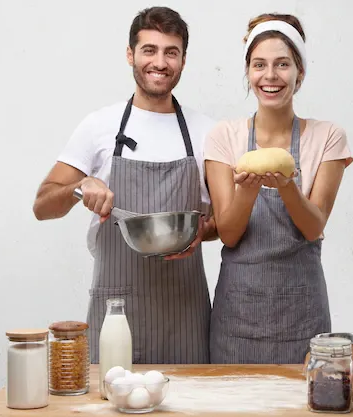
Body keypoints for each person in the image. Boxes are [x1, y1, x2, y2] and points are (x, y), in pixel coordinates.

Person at [33, 6, 217, 364]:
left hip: (185, 310)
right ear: (131, 54)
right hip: (117, 307)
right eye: (149, 50)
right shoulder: (99, 126)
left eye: (171, 52)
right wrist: (79, 187)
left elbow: (224, 223)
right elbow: (42, 206)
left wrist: (202, 231)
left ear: (183, 60)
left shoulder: (207, 132)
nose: (160, 62)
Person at [204, 13, 353, 364]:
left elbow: (314, 227)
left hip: (302, 316)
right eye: (259, 65)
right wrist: (249, 190)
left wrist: (287, 187)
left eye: (282, 64)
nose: (270, 76)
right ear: (248, 72)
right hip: (237, 319)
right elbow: (228, 233)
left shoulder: (328, 136)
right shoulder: (225, 137)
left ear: (299, 73)